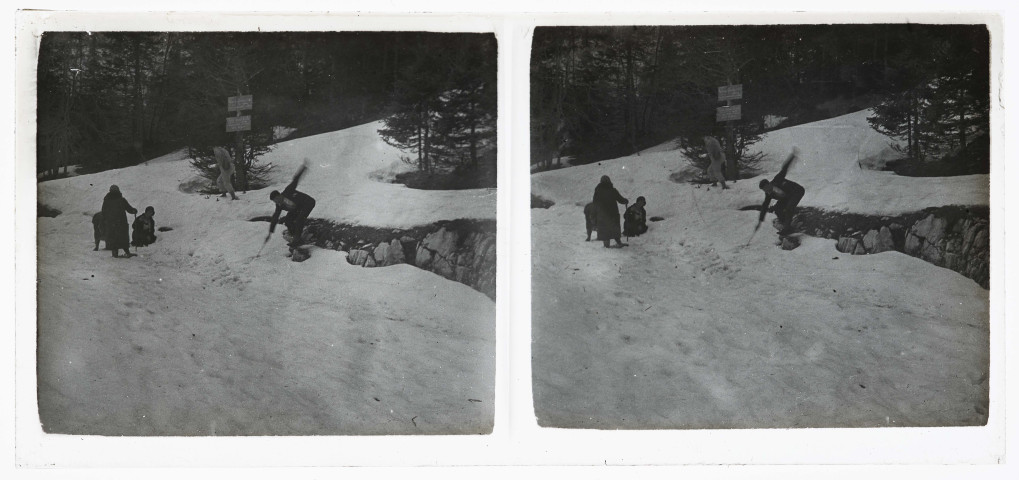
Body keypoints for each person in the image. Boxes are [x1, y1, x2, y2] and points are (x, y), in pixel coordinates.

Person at [267, 161, 315, 250]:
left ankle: (297, 240)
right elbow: (275, 217)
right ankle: (296, 237)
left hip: (308, 203)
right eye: (275, 202)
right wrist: (270, 232)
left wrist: (303, 168)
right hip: (297, 208)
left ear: (279, 195)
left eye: (276, 200)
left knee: (300, 219)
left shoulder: (288, 191)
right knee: (288, 220)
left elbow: (295, 180)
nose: (276, 203)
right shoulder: (279, 205)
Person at [758, 148, 804, 235]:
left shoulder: (777, 179)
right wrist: (760, 219)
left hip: (797, 191)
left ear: (769, 184)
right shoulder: (768, 193)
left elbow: (784, 169)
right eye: (764, 190)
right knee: (778, 209)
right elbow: (765, 205)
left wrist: (792, 156)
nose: (767, 191)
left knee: (789, 208)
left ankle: (787, 229)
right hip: (787, 197)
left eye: (766, 188)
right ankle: (787, 225)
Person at [101, 185, 138, 258]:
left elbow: (103, 212)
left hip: (112, 223)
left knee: (114, 238)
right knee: (123, 238)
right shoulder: (121, 200)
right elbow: (129, 208)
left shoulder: (107, 201)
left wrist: (105, 221)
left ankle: (115, 253)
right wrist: (133, 210)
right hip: (121, 222)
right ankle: (126, 252)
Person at [592, 175, 628, 248]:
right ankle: (619, 243)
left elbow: (594, 203)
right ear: (609, 181)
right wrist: (626, 201)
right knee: (615, 228)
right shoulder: (612, 190)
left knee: (604, 230)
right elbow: (621, 199)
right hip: (613, 214)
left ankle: (606, 245)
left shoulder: (598, 191)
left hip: (602, 215)